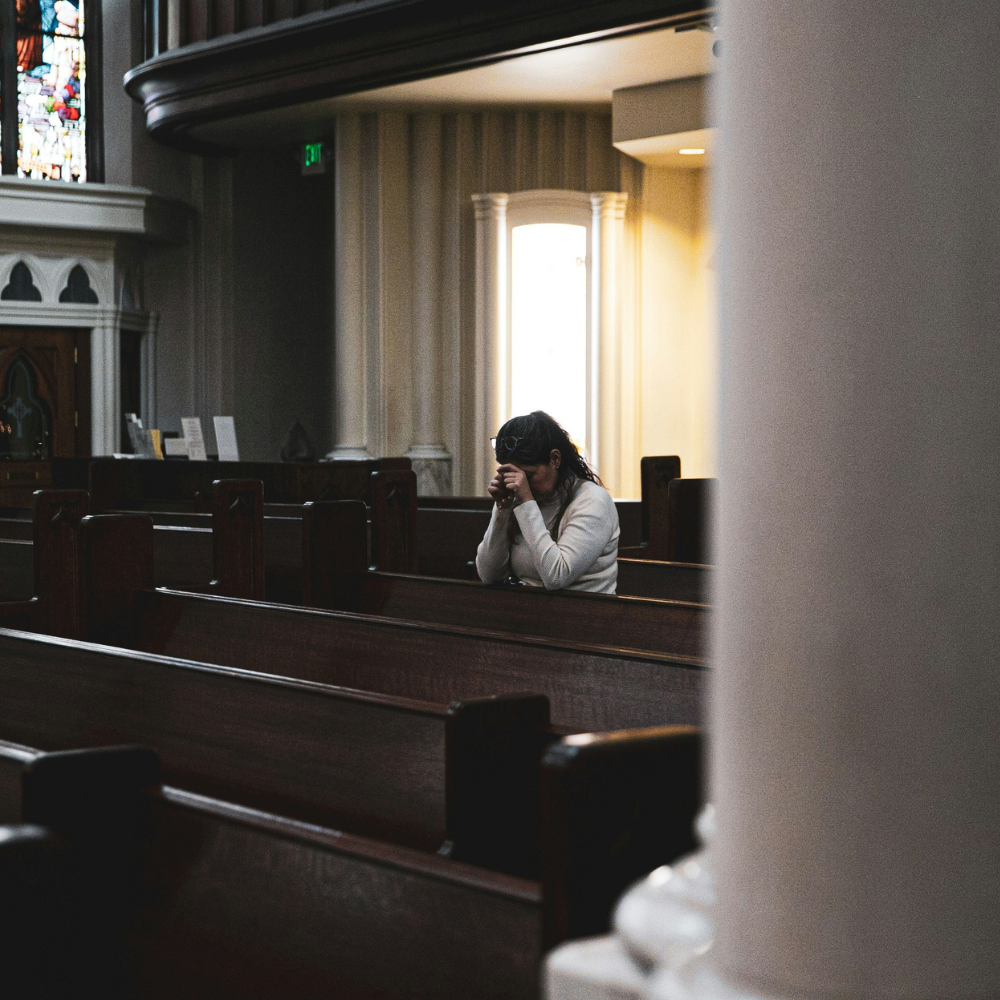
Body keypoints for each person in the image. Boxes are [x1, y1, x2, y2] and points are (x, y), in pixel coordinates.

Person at [476, 411, 620, 593]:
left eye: (528, 475)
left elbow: (556, 577)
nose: (520, 484)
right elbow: (489, 575)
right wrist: (502, 508)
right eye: (511, 476)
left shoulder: (593, 501)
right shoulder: (521, 500)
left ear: (555, 458)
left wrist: (527, 503)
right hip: (532, 613)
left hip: (586, 615)